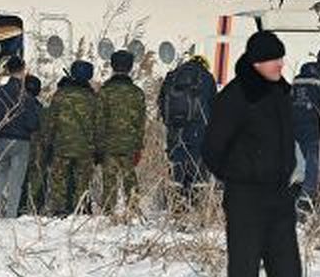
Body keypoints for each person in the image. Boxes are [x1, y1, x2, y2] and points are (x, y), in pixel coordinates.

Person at [203, 31, 305, 277]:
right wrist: (239, 175)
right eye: (274, 59)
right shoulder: (235, 96)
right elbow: (212, 148)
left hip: (280, 195)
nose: (280, 64)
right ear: (257, 62)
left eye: (281, 58)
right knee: (244, 270)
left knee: (287, 269)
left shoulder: (281, 92)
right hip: (245, 197)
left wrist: (290, 178)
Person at [0, 57, 40, 217]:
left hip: (1, 139)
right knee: (16, 182)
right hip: (21, 141)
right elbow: (33, 123)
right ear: (23, 70)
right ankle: (11, 215)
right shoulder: (26, 96)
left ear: (7, 70)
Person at [44, 60, 99, 215]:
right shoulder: (93, 98)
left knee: (59, 180)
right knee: (82, 181)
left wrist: (48, 144)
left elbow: (50, 122)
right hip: (85, 148)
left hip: (62, 145)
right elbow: (99, 124)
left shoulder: (60, 95)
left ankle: (59, 210)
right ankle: (81, 209)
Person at [97, 50, 146, 216]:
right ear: (130, 67)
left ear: (112, 66)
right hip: (130, 145)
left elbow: (99, 122)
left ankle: (107, 212)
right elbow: (141, 123)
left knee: (109, 180)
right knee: (130, 179)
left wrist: (99, 146)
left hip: (108, 144)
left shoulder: (104, 92)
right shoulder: (137, 93)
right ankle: (134, 211)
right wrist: (139, 147)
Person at [157, 55, 216, 191]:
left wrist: (168, 121)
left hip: (174, 126)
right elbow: (214, 104)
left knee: (176, 155)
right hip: (198, 126)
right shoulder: (206, 77)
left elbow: (161, 101)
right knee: (196, 156)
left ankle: (175, 191)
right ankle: (196, 192)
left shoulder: (172, 76)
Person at [290, 47, 320, 204]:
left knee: (316, 166)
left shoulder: (298, 79)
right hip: (316, 129)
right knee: (314, 168)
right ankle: (304, 204)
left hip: (298, 129)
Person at [22, 74, 47, 213]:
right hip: (35, 146)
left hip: (22, 144)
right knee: (37, 175)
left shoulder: (17, 103)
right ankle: (35, 207)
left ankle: (22, 205)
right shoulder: (37, 106)